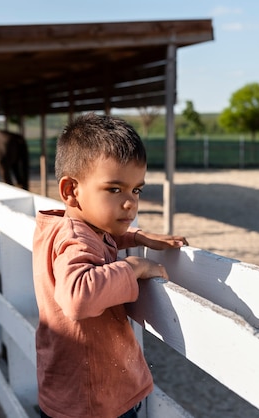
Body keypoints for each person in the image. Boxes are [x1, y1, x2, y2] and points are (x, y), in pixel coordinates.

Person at [32, 113, 188, 418]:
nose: (130, 202)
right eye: (115, 190)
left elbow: (99, 241)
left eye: (136, 190)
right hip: (94, 404)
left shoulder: (63, 228)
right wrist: (134, 267)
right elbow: (79, 296)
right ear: (70, 191)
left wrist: (138, 236)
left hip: (70, 394)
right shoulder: (77, 239)